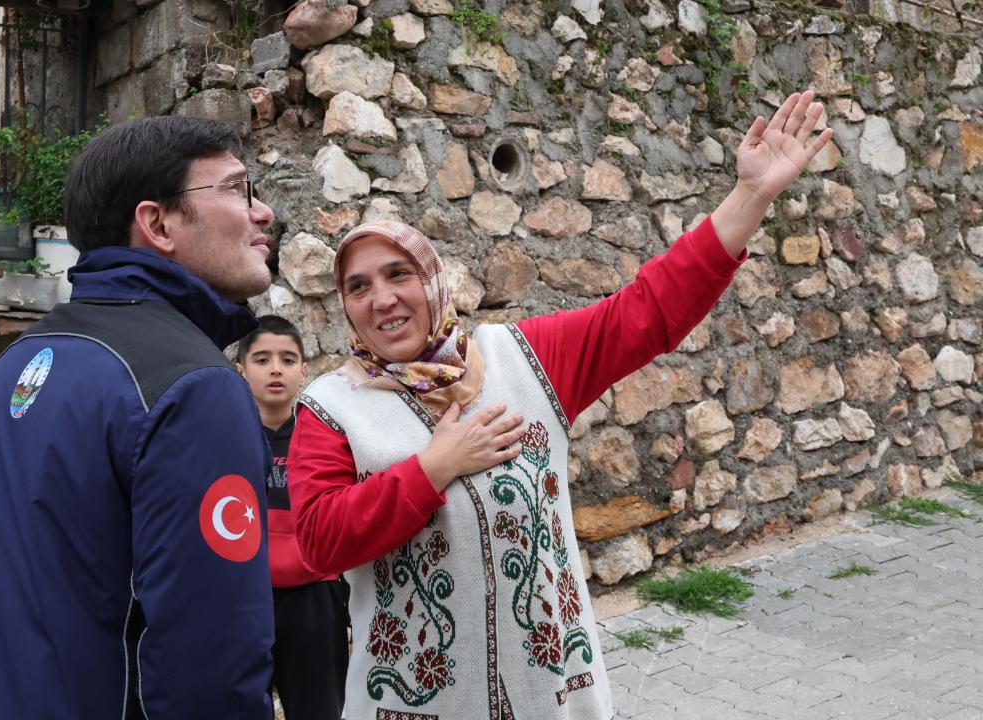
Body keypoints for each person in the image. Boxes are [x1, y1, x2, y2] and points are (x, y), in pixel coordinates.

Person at [289, 92, 834, 719]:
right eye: (358, 287)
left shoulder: (521, 358)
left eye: (398, 274)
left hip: (552, 699)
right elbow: (321, 542)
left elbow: (648, 311)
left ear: (433, 281)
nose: (381, 299)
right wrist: (434, 468)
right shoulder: (333, 407)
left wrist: (751, 195)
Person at [0, 116, 278, 719]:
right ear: (157, 224)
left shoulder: (12, 367)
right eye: (237, 189)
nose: (262, 212)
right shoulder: (192, 387)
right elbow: (211, 658)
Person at [235, 316, 349, 720]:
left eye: (287, 359)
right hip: (244, 598)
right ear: (241, 370)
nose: (275, 370)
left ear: (303, 370)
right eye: (262, 359)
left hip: (314, 599)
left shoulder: (324, 438)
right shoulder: (225, 438)